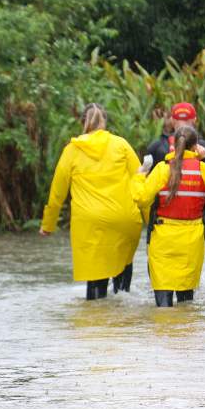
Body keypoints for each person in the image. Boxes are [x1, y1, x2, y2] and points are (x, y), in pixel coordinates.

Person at [40, 103, 143, 300]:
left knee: (96, 281)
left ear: (82, 122)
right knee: (122, 268)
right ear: (105, 121)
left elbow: (57, 192)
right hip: (124, 219)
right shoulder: (121, 145)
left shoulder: (73, 149)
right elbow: (141, 180)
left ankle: (94, 324)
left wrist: (48, 224)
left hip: (89, 222)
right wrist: (152, 219)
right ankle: (126, 324)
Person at [132, 125, 205, 307]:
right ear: (195, 146)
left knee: (163, 306)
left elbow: (140, 199)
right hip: (192, 243)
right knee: (186, 306)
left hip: (163, 241)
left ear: (174, 145)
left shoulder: (162, 170)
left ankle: (165, 335)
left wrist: (140, 176)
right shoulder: (203, 170)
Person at [144, 102, 205, 239]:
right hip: (194, 226)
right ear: (195, 121)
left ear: (172, 121)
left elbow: (144, 189)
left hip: (162, 227)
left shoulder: (155, 147)